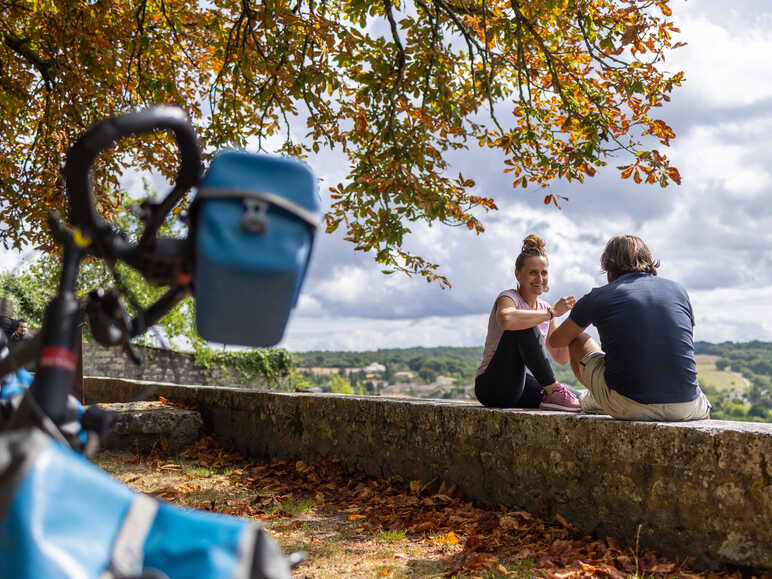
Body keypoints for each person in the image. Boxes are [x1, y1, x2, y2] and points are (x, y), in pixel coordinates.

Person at [548, 235, 711, 421]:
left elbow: (557, 341)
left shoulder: (599, 297)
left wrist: (552, 313)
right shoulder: (678, 291)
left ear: (608, 268)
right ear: (649, 262)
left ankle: (595, 399)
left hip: (630, 405)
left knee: (578, 339)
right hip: (687, 405)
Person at [475, 234, 580, 412]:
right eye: (533, 272)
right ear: (518, 274)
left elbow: (561, 357)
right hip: (493, 385)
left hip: (522, 387)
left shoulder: (545, 309)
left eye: (544, 273)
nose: (539, 279)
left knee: (579, 399)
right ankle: (553, 389)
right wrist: (551, 313)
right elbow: (507, 319)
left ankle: (555, 391)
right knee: (523, 325)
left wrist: (575, 323)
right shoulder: (508, 297)